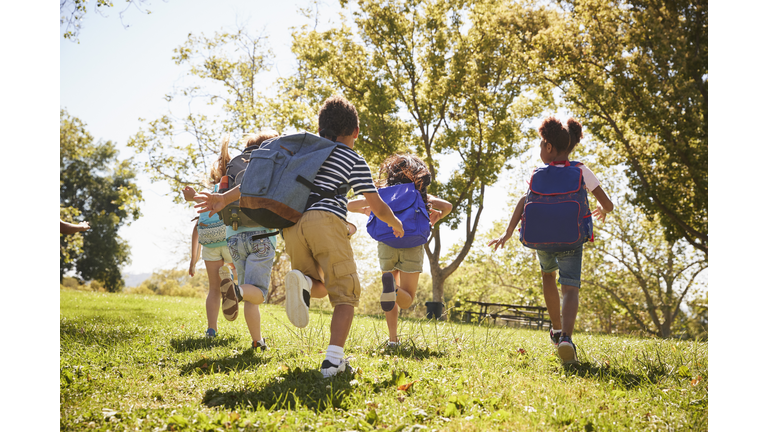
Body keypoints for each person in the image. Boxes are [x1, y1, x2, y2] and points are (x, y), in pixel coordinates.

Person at [194, 95, 404, 377]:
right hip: (326, 221)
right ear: (355, 131)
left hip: (292, 224)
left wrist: (223, 198)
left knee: (319, 283)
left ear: (320, 130)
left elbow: (257, 180)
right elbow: (375, 203)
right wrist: (395, 222)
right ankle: (333, 362)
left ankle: (303, 281)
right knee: (346, 294)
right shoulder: (352, 157)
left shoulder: (306, 151)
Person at [487, 117, 614, 364]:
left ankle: (555, 329)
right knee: (570, 287)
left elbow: (524, 202)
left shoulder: (537, 173)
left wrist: (508, 232)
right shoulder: (581, 170)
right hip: (571, 239)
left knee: (548, 276)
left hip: (541, 239)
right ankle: (566, 337)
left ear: (548, 147)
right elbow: (607, 203)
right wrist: (603, 209)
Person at [347, 154, 452, 348]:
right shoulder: (419, 193)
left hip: (387, 242)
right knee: (406, 299)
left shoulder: (381, 192)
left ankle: (393, 339)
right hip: (412, 243)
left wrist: (367, 210)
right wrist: (433, 219)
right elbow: (447, 206)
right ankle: (394, 289)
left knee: (390, 298)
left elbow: (350, 205)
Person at [182, 135, 237, 339]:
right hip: (230, 240)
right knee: (242, 274)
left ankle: (211, 330)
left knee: (214, 289)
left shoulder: (208, 193)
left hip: (210, 245)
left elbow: (197, 228)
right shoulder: (232, 191)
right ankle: (234, 282)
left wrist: (193, 260)